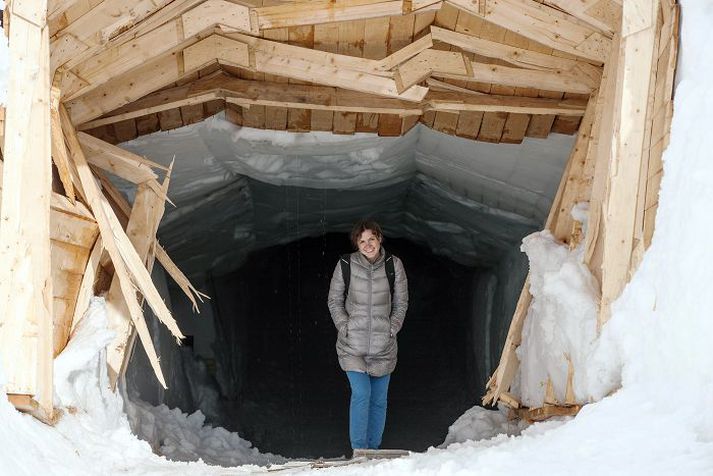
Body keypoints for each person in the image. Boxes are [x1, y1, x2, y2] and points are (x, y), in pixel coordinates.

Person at [327, 219, 408, 452]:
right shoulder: (345, 264)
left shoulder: (394, 265)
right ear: (357, 244)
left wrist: (393, 327)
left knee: (379, 400)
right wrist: (345, 326)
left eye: (371, 239)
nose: (367, 244)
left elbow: (402, 301)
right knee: (362, 394)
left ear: (379, 238)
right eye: (362, 241)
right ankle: (359, 450)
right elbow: (334, 300)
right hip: (352, 344)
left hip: (384, 345)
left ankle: (373, 450)